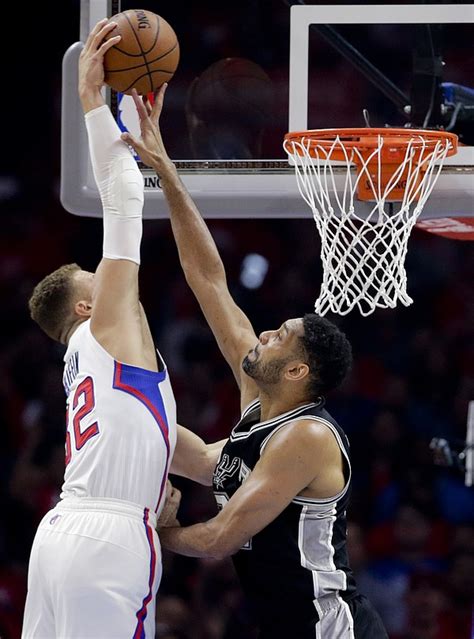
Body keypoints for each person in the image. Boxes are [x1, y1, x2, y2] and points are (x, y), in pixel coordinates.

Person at [121, 88, 389, 638]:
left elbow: (220, 539)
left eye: (280, 336)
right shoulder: (258, 413)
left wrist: (154, 531)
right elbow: (210, 281)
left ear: (297, 371)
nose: (265, 332)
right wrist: (168, 173)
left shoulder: (307, 437)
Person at [22, 20, 179, 638]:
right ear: (86, 308)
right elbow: (123, 202)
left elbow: (179, 445)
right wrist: (100, 104)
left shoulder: (96, 367)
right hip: (110, 537)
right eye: (98, 278)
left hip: (61, 537)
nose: (111, 279)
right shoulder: (108, 327)